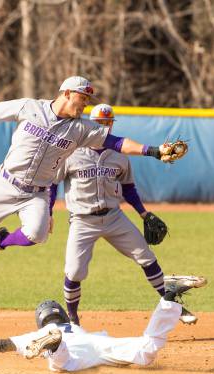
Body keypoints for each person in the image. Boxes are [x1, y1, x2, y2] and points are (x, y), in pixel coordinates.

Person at [0, 76, 187, 261]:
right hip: (6, 184)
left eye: (88, 99)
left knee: (37, 233)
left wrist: (153, 151)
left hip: (37, 193)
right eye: (82, 97)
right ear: (66, 93)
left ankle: (0, 242)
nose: (85, 103)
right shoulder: (29, 107)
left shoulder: (81, 129)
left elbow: (117, 142)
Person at [51, 103, 197, 325]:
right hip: (82, 220)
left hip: (113, 217)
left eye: (107, 122)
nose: (104, 126)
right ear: (90, 124)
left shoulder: (119, 153)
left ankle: (173, 306)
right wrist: (48, 211)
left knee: (146, 257)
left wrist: (143, 214)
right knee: (74, 271)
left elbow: (128, 188)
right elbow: (52, 184)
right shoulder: (72, 152)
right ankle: (72, 318)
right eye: (99, 123)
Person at [0, 276, 207, 372]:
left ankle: (54, 346)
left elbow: (2, 344)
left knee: (60, 365)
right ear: (62, 315)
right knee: (146, 351)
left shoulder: (37, 332)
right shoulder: (77, 327)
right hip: (96, 344)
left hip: (71, 351)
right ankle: (168, 298)